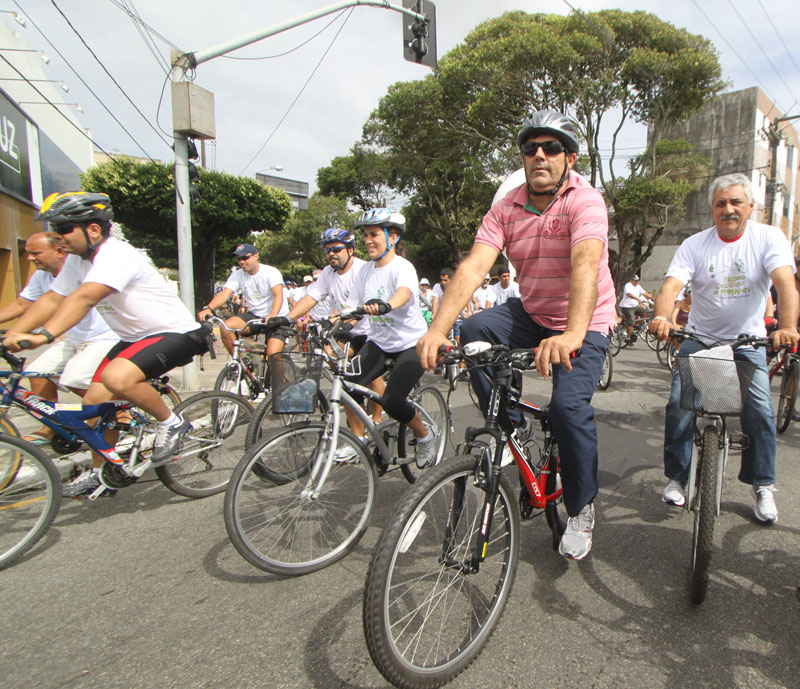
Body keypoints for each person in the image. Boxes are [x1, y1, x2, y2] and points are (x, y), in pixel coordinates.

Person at [418, 109, 616, 560]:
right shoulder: (506, 205)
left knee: (567, 409)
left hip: (585, 317)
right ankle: (512, 424)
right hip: (531, 312)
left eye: (551, 148)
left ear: (569, 157)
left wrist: (572, 335)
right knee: (473, 330)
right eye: (531, 149)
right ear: (524, 157)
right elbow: (474, 265)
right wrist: (436, 329)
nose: (540, 155)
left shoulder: (584, 201)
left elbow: (585, 264)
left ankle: (582, 507)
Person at [2, 191, 211, 497]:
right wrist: (14, 335)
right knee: (95, 405)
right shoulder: (77, 260)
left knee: (116, 378)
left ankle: (172, 422)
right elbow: (51, 298)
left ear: (94, 229)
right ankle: (104, 471)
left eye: (62, 229)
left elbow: (84, 297)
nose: (57, 238)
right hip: (133, 339)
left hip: (175, 333)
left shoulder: (116, 254)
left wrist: (44, 335)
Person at [649, 173, 799, 523]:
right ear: (712, 210)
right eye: (720, 204)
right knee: (679, 404)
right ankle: (677, 476)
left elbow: (785, 286)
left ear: (750, 207)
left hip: (747, 341)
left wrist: (788, 327)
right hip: (700, 338)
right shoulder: (695, 245)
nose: (728, 209)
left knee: (760, 409)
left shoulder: (768, 238)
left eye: (735, 203)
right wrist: (661, 317)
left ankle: (762, 483)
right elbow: (671, 287)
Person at [0, 232, 119, 443]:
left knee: (74, 378)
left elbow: (67, 302)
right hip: (74, 338)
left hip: (104, 337)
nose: (29, 258)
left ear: (59, 251)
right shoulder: (41, 276)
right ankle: (52, 426)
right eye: (27, 253)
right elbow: (22, 305)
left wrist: (42, 335)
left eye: (35, 253)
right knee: (37, 372)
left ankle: (117, 411)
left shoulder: (84, 271)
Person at [344, 208, 437, 468]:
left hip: (411, 343)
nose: (367, 241)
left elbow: (404, 293)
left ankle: (425, 434)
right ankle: (358, 440)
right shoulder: (364, 271)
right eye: (365, 235)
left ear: (392, 237)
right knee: (346, 388)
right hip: (379, 342)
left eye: (374, 234)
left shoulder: (402, 267)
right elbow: (353, 307)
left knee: (393, 401)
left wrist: (386, 305)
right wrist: (337, 321)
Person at [277, 228, 385, 449]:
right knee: (328, 361)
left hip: (371, 331)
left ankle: (378, 419)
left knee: (368, 373)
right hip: (347, 329)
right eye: (328, 251)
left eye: (336, 249)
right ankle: (357, 433)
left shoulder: (363, 270)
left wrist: (343, 321)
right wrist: (286, 318)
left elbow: (366, 305)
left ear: (351, 250)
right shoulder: (328, 273)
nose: (331, 254)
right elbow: (311, 297)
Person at [198, 244, 287, 359]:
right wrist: (209, 308)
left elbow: (278, 295)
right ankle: (241, 365)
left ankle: (278, 377)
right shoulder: (238, 274)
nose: (241, 262)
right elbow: (225, 293)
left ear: (256, 256)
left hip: (277, 316)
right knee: (226, 327)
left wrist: (273, 315)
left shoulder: (271, 272)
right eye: (239, 259)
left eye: (245, 258)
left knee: (272, 356)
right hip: (255, 316)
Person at [618, 275, 652, 344]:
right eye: (635, 280)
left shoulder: (638, 286)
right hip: (627, 307)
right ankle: (628, 338)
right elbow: (629, 294)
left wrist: (652, 298)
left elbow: (645, 293)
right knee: (631, 321)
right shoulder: (628, 285)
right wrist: (637, 299)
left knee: (646, 313)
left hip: (635, 306)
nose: (637, 282)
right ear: (632, 280)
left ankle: (636, 325)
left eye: (637, 280)